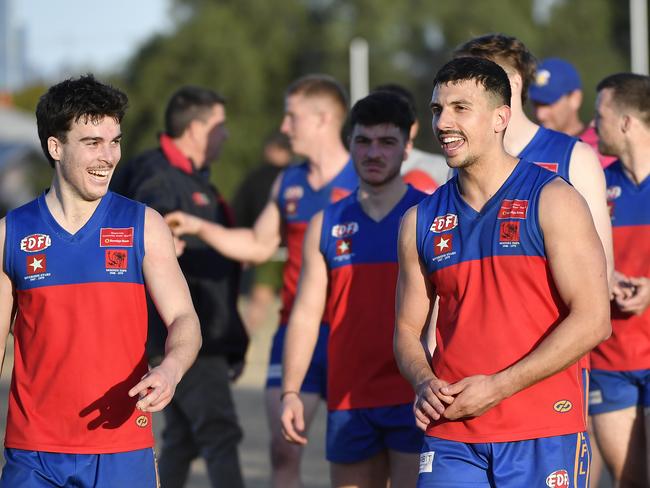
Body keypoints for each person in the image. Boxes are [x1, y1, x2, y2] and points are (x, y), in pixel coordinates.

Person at [394, 57, 611, 486]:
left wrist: (498, 386)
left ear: (500, 117)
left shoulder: (553, 199)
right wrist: (423, 382)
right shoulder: (419, 219)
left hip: (542, 429)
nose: (443, 122)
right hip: (452, 434)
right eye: (438, 109)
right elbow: (405, 329)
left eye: (461, 108)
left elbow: (593, 320)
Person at [0, 75, 202, 487]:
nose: (108, 156)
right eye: (92, 142)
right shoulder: (10, 234)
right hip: (33, 454)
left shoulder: (143, 225)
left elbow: (185, 319)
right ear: (56, 147)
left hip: (123, 448)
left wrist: (170, 370)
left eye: (115, 141)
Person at [165, 74, 357, 488]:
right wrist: (198, 227)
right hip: (295, 332)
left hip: (353, 336)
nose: (284, 127)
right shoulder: (287, 181)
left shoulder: (366, 176)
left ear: (323, 119)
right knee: (282, 450)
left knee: (361, 460)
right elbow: (256, 243)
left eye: (292, 117)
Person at [280, 91, 426, 487]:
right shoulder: (325, 224)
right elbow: (307, 315)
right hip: (349, 397)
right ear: (350, 144)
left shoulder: (431, 215)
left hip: (415, 393)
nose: (373, 152)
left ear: (407, 147)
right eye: (363, 141)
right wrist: (291, 390)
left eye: (387, 142)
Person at [111, 85, 249, 488]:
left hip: (204, 338)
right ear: (197, 128)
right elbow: (148, 227)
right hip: (180, 338)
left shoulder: (193, 177)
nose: (226, 135)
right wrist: (167, 233)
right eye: (220, 126)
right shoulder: (159, 176)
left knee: (183, 439)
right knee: (220, 432)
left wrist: (232, 341)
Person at [453, 35, 613, 288]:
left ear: (514, 83)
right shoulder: (462, 162)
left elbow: (601, 270)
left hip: (551, 324)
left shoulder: (574, 156)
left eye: (476, 78)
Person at [588, 73, 650, 487]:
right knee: (628, 481)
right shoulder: (596, 183)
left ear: (627, 122)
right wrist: (603, 277)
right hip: (610, 360)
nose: (593, 125)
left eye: (600, 116)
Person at [231, 132, 293, 332]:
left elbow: (239, 212)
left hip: (266, 249)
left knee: (259, 300)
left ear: (270, 150)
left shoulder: (255, 178)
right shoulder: (298, 177)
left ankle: (247, 344)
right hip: (296, 249)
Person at [528, 57, 616, 168]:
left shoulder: (606, 146)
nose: (540, 114)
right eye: (535, 104)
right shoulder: (525, 147)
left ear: (575, 99)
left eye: (548, 104)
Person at [372, 84, 449, 193]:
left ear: (414, 127)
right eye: (378, 120)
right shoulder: (358, 169)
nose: (386, 129)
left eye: (396, 121)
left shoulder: (441, 168)